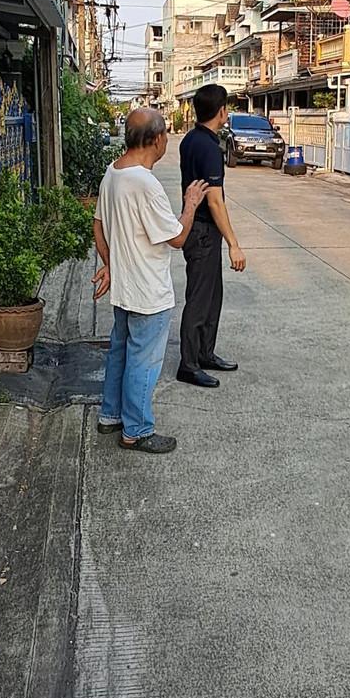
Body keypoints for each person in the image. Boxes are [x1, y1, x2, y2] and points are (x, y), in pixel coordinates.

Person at [92, 108, 209, 455]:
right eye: (166, 135)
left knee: (120, 353)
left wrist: (110, 264)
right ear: (157, 139)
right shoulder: (145, 184)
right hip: (147, 292)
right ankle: (137, 430)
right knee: (143, 362)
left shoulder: (113, 172)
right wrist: (190, 205)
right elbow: (177, 237)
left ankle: (111, 415)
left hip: (125, 289)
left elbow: (98, 225)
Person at [177, 82, 246, 389]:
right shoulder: (208, 147)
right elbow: (215, 201)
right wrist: (234, 244)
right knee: (199, 298)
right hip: (203, 230)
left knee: (212, 296)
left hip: (200, 230)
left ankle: (205, 353)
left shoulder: (191, 139)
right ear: (221, 111)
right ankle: (189, 364)